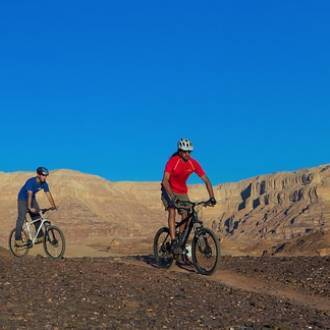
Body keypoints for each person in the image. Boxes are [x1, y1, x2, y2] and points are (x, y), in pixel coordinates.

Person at [161, 138, 217, 252]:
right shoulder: (173, 161)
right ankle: (173, 241)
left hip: (182, 192)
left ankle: (180, 241)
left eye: (189, 152)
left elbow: (206, 180)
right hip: (168, 190)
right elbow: (165, 181)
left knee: (186, 215)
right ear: (180, 151)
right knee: (172, 211)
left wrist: (212, 197)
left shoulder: (193, 163)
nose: (187, 154)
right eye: (185, 152)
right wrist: (172, 197)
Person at [15, 167, 57, 246]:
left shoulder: (44, 184)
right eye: (43, 175)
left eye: (46, 176)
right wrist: (30, 207)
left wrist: (53, 206)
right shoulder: (31, 182)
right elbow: (29, 194)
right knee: (21, 218)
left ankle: (39, 237)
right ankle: (17, 239)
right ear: (38, 175)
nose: (44, 177)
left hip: (32, 199)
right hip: (22, 199)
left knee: (38, 216)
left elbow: (48, 194)